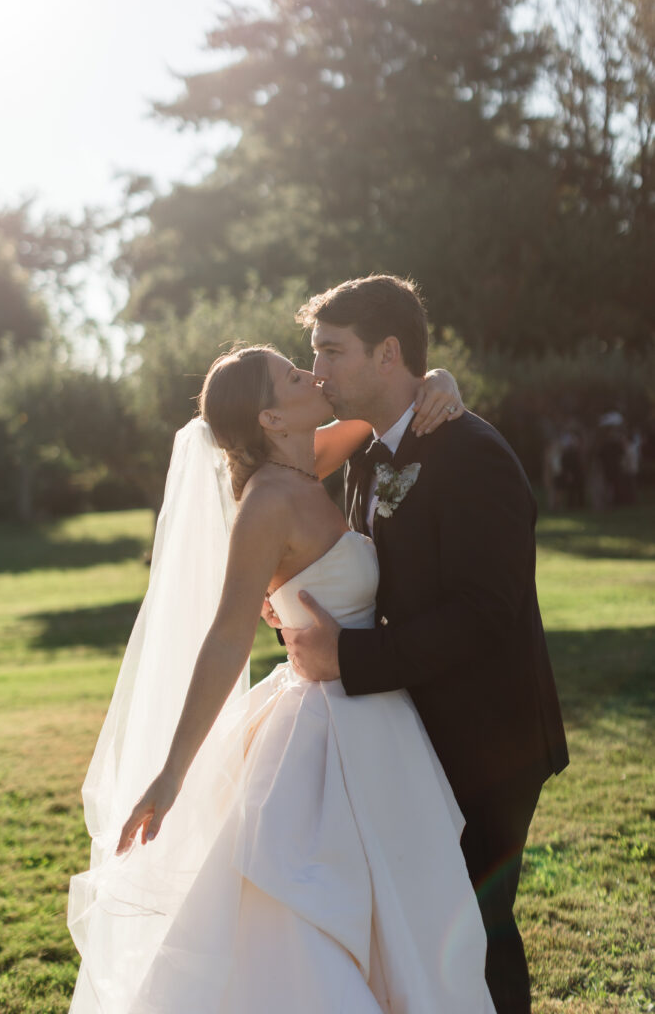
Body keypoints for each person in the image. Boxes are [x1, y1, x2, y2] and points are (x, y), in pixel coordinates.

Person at [67, 344, 495, 1013]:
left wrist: (437, 378)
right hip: (327, 733)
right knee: (313, 922)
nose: (313, 375)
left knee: (403, 913)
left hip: (377, 716)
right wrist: (173, 772)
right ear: (270, 418)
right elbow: (228, 634)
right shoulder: (266, 502)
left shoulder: (311, 461)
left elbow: (395, 405)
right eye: (295, 376)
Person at [278, 274, 570, 1014]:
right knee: (417, 928)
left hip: (487, 739)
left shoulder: (470, 453)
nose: (317, 372)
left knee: (473, 929)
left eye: (330, 352)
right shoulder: (367, 455)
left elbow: (483, 613)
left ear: (387, 354)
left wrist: (348, 659)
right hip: (411, 731)